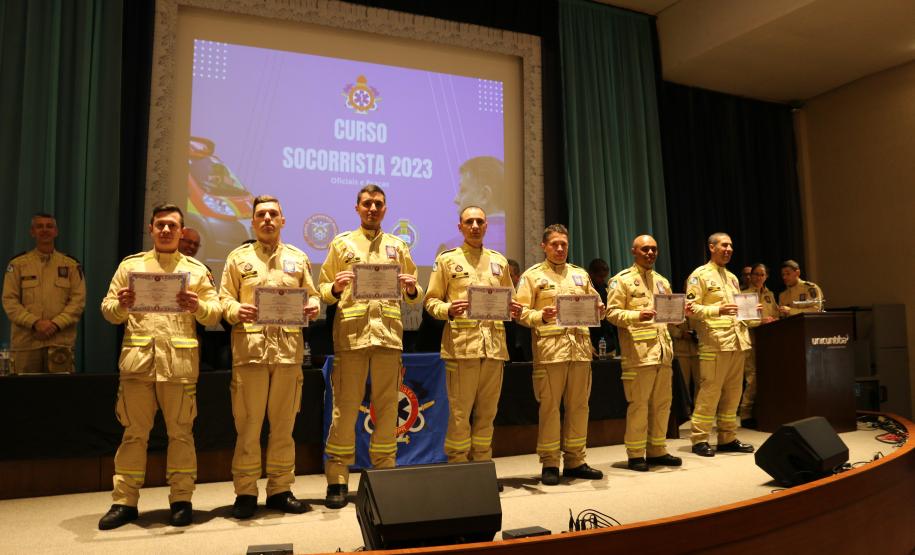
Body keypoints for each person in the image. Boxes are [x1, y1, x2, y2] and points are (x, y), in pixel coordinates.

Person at [98, 204, 221, 529]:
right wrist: (122, 305)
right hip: (138, 365)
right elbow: (108, 309)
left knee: (181, 435)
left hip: (179, 367)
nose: (166, 230)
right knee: (133, 434)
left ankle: (181, 500)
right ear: (151, 229)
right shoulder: (131, 266)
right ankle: (124, 502)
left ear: (181, 232)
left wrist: (199, 307)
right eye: (160, 225)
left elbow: (216, 311)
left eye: (172, 226)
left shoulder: (196, 270)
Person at [319, 184, 422, 509]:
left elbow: (416, 289)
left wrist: (411, 288)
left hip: (389, 337)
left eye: (378, 204)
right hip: (351, 337)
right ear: (357, 207)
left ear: (385, 209)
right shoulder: (341, 244)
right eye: (367, 203)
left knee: (387, 408)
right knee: (345, 409)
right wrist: (334, 287)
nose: (372, 209)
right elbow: (322, 288)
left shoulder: (397, 246)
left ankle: (384, 474)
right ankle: (337, 480)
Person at [219, 195, 319, 519]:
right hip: (250, 352)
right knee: (248, 426)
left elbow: (313, 295)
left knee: (284, 425)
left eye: (273, 214)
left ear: (283, 220)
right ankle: (246, 492)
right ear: (252, 221)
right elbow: (223, 299)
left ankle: (280, 489)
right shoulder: (238, 258)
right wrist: (236, 309)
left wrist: (314, 306)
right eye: (261, 214)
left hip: (288, 353)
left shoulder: (298, 257)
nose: (267, 219)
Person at [424, 206, 521, 464]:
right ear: (460, 227)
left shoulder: (499, 262)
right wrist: (448, 309)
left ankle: (482, 465)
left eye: (480, 221)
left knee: (488, 413)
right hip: (461, 348)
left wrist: (514, 308)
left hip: (494, 348)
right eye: (469, 222)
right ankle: (458, 465)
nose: (475, 226)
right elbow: (431, 302)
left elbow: (511, 301)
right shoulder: (446, 260)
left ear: (487, 226)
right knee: (459, 413)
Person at [515, 224, 604, 485]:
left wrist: (600, 309)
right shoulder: (532, 277)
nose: (560, 248)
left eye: (564, 244)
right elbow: (519, 313)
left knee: (579, 407)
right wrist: (540, 315)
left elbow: (597, 306)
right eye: (555, 244)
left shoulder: (580, 275)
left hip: (580, 350)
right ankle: (550, 462)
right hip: (549, 352)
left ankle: (576, 460)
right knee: (550, 409)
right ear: (544, 246)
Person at [605, 235, 681, 471]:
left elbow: (669, 317)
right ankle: (636, 454)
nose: (650, 253)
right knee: (639, 404)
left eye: (654, 249)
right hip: (638, 353)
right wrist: (637, 315)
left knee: (662, 403)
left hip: (662, 351)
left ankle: (657, 449)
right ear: (634, 251)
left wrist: (680, 313)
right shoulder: (622, 281)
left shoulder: (662, 281)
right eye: (645, 249)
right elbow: (612, 313)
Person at [685, 232, 756, 457]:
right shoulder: (699, 275)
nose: (728, 249)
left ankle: (727, 437)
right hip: (714, 343)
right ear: (711, 247)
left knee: (733, 392)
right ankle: (699, 438)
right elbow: (690, 309)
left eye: (731, 246)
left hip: (736, 342)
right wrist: (718, 310)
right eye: (724, 245)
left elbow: (737, 311)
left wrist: (752, 312)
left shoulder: (733, 278)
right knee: (710, 392)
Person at [2, 213, 86, 373]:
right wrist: (35, 323)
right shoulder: (17, 265)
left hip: (60, 343)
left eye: (49, 226)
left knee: (59, 395)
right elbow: (9, 301)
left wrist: (55, 324)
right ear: (32, 232)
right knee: (25, 395)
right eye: (39, 226)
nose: (45, 230)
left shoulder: (71, 265)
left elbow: (78, 301)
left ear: (56, 231)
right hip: (26, 344)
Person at [738, 263, 779, 426]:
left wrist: (775, 319)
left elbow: (774, 314)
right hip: (751, 341)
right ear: (750, 276)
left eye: (762, 274)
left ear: (766, 276)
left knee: (768, 377)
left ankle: (764, 411)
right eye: (756, 274)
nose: (758, 277)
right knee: (753, 378)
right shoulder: (744, 295)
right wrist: (760, 321)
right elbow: (743, 320)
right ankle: (746, 414)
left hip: (768, 342)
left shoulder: (770, 294)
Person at [437, 157, 506, 253]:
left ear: (484, 195)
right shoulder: (524, 241)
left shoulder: (449, 251)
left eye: (463, 191)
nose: (456, 199)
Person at [587, 258, 618, 357]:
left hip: (607, 339)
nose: (603, 279)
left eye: (605, 276)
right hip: (591, 338)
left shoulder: (607, 289)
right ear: (591, 274)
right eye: (600, 276)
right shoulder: (585, 291)